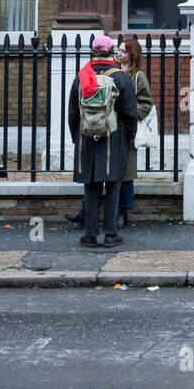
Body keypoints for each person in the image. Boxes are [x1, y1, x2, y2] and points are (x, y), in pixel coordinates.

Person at [67, 34, 137, 246]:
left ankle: (90, 234)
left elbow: (72, 112)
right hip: (114, 139)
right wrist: (129, 137)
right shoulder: (121, 77)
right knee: (113, 185)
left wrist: (75, 137)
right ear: (110, 52)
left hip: (87, 139)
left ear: (92, 51)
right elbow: (130, 113)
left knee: (91, 186)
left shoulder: (82, 76)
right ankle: (110, 234)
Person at [117, 33, 153, 229]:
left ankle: (123, 212)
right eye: (119, 50)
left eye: (123, 51)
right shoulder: (112, 72)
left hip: (128, 131)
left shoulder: (138, 76)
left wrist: (130, 116)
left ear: (132, 55)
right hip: (112, 129)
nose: (119, 53)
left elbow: (146, 104)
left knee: (126, 174)